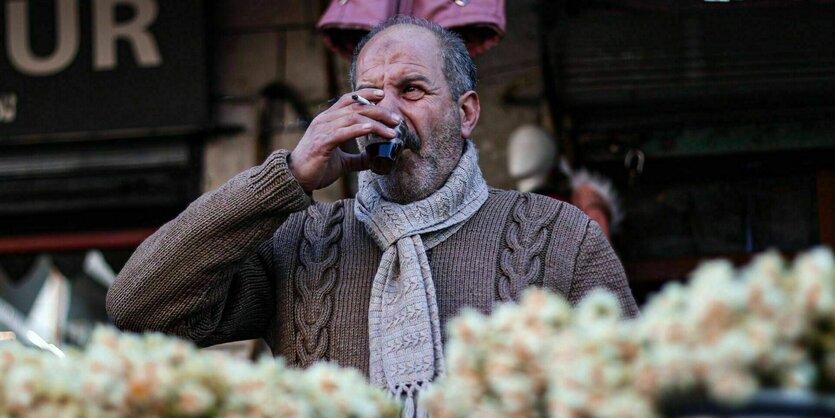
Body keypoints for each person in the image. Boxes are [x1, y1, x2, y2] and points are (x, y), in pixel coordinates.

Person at [107, 16, 638, 413]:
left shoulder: (560, 234)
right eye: (369, 95)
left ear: (467, 111)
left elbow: (634, 389)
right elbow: (137, 305)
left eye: (411, 90)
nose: (387, 113)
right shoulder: (302, 239)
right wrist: (286, 178)